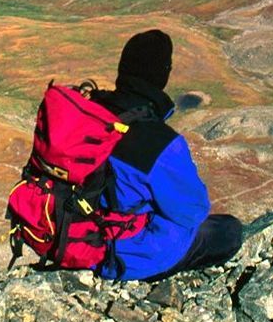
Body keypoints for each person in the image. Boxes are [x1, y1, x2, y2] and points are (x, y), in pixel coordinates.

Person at [90, 29, 243, 280]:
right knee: (228, 231)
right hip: (124, 256)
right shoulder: (160, 142)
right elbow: (192, 211)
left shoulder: (90, 113)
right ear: (162, 75)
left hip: (74, 238)